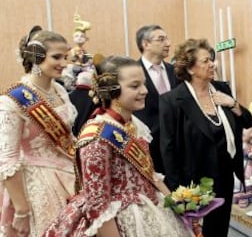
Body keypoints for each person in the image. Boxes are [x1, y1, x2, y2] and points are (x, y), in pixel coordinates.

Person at [44, 56, 192, 237]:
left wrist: (177, 205)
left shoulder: (135, 124)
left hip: (152, 208)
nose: (145, 91)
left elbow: (150, 174)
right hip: (120, 220)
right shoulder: (97, 136)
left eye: (144, 84)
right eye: (135, 86)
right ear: (111, 89)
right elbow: (97, 204)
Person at [159, 38, 252, 237]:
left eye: (212, 59)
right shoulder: (172, 101)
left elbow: (248, 121)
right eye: (206, 61)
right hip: (194, 181)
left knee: (220, 228)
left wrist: (233, 104)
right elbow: (168, 149)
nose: (213, 64)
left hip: (225, 174)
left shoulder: (222, 89)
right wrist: (176, 191)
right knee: (198, 231)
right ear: (191, 69)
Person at [0, 26, 77, 236]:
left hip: (70, 177)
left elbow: (68, 137)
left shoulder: (59, 90)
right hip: (37, 186)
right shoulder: (12, 101)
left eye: (65, 56)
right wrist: (22, 210)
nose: (63, 63)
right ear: (36, 57)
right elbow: (6, 160)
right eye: (57, 57)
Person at [134, 24, 179, 173]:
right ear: (145, 44)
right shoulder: (132, 73)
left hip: (178, 147)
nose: (168, 43)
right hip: (149, 148)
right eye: (161, 39)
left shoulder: (176, 72)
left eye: (167, 38)